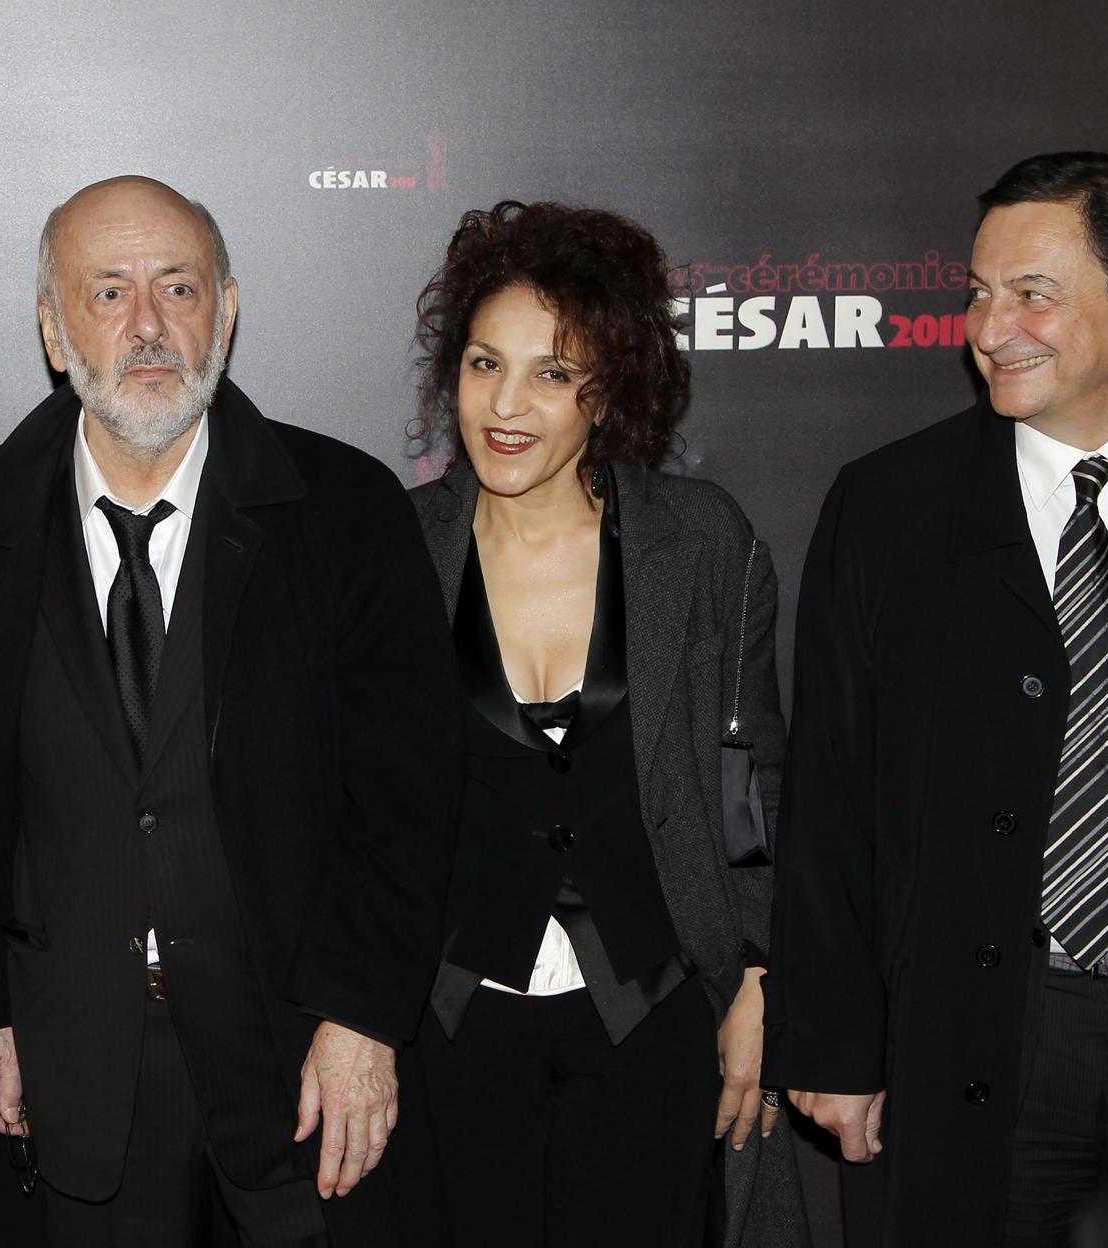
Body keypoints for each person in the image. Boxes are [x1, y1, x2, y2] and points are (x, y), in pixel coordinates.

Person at [0, 175, 462, 1248]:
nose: (146, 325)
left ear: (227, 314)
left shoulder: (344, 513)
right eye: (107, 293)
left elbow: (409, 797)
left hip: (298, 1060)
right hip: (67, 1073)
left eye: (178, 288)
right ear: (55, 332)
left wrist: (363, 1017)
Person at [765, 151, 1108, 1246]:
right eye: (978, 292)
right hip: (985, 1027)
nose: (990, 325)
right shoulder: (890, 510)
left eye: (1033, 295)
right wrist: (832, 1043)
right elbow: (830, 799)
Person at [405, 200, 810, 1247]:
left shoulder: (703, 541)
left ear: (610, 388)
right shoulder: (395, 551)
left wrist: (765, 973)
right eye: (485, 363)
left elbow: (751, 781)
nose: (506, 404)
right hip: (447, 1015)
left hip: (656, 1010)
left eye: (553, 372)